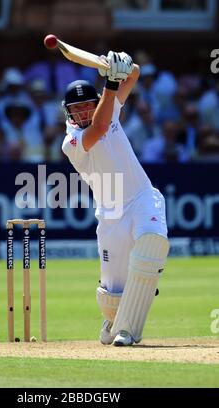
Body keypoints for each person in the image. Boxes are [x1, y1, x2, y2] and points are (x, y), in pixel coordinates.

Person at [61, 51, 170, 347]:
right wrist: (110, 83)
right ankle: (114, 320)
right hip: (110, 216)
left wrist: (120, 65)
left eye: (88, 106)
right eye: (77, 109)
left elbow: (134, 75)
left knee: (152, 242)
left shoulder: (111, 110)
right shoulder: (71, 142)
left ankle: (129, 330)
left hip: (141, 197)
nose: (83, 114)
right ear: (67, 113)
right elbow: (96, 128)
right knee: (111, 297)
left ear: (96, 103)